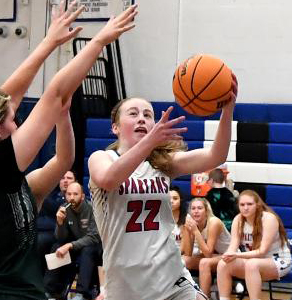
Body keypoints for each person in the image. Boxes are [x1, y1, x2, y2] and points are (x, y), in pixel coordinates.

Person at [0, 3, 138, 300]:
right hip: (10, 294)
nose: (17, 120)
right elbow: (55, 92)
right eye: (13, 119)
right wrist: (99, 41)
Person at [88, 72, 238, 299]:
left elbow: (216, 156)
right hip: (126, 282)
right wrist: (150, 141)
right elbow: (109, 179)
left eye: (147, 115)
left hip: (171, 276)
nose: (141, 118)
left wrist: (227, 110)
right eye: (133, 113)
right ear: (115, 127)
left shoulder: (164, 164)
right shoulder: (101, 158)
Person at [216, 190, 292, 300]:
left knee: (252, 264)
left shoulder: (268, 218)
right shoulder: (238, 219)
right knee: (223, 264)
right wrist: (228, 255)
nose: (245, 208)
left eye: (249, 204)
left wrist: (236, 255)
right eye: (242, 205)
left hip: (278, 261)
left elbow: (262, 251)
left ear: (257, 204)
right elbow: (233, 246)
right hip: (252, 261)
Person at [44, 182, 102, 300]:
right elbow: (61, 238)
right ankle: (50, 291)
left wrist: (70, 245)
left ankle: (81, 293)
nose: (71, 197)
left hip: (92, 246)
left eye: (75, 194)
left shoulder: (92, 209)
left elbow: (94, 237)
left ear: (82, 196)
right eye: (69, 194)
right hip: (74, 247)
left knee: (88, 249)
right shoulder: (64, 209)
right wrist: (60, 224)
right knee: (57, 246)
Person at [181, 198, 231, 297]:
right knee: (183, 260)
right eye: (193, 208)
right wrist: (187, 231)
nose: (196, 211)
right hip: (214, 256)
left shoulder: (214, 222)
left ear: (206, 211)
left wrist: (195, 231)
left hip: (228, 256)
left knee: (204, 262)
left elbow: (208, 254)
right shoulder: (192, 223)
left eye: (199, 208)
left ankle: (204, 297)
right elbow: (188, 254)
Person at [37, 170, 77, 274]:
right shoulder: (49, 196)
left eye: (69, 178)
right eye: (62, 178)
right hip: (45, 230)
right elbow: (40, 219)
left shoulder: (77, 199)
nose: (65, 181)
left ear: (75, 182)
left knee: (42, 241)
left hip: (63, 234)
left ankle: (44, 280)